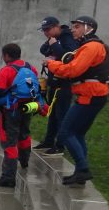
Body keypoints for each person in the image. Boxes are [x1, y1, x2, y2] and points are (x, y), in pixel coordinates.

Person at [46, 15, 109, 186]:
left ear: (88, 28)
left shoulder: (91, 47)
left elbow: (73, 70)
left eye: (76, 26)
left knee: (65, 132)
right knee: (78, 133)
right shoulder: (93, 46)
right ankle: (80, 171)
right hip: (93, 95)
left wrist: (52, 65)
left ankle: (83, 169)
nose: (73, 29)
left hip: (90, 96)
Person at [0, 43, 45, 188]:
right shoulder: (31, 67)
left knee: (9, 141)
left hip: (11, 109)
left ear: (6, 56)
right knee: (24, 133)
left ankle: (8, 177)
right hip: (28, 107)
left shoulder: (7, 70)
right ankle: (24, 160)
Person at [35, 16, 81, 154]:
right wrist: (52, 46)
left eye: (48, 29)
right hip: (54, 81)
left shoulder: (68, 37)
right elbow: (43, 49)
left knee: (62, 115)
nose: (46, 33)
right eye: (44, 30)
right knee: (53, 113)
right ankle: (49, 141)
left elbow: (68, 57)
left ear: (57, 26)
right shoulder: (54, 38)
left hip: (64, 83)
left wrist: (55, 46)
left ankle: (60, 145)